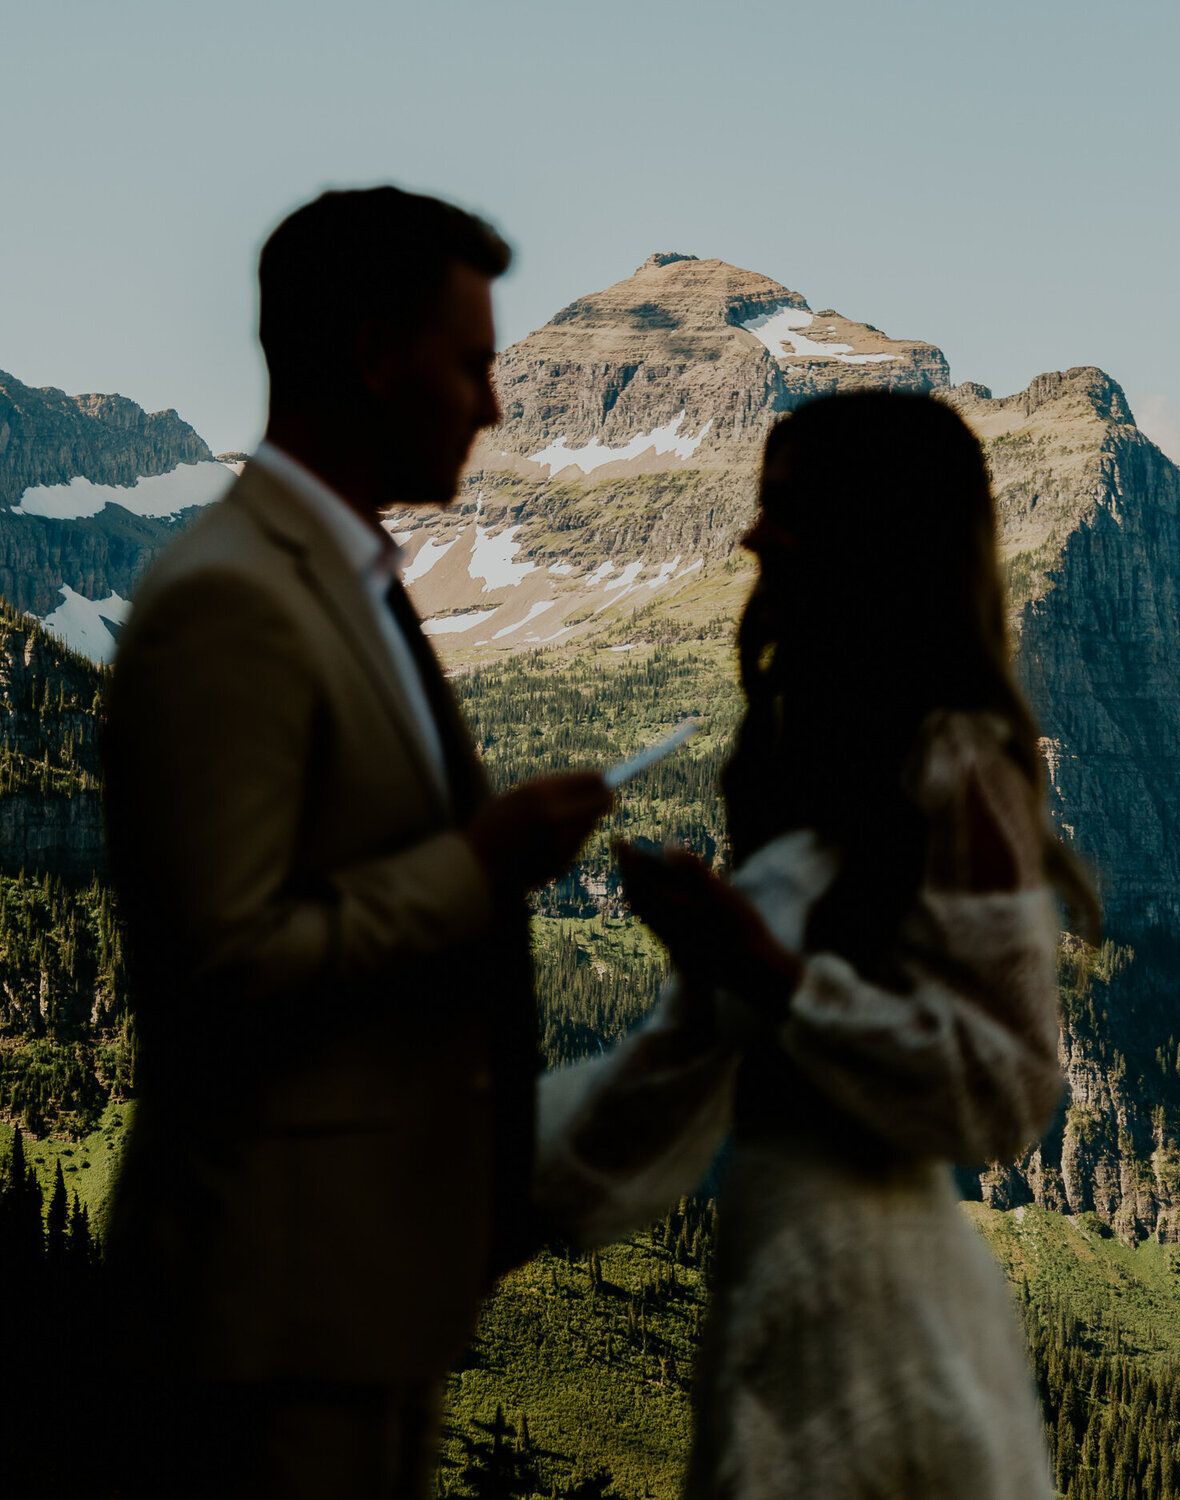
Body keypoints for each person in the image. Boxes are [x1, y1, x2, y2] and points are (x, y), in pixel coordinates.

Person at [102, 186, 612, 1500]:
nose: (495, 406)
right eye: (473, 363)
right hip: (269, 1318)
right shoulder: (231, 596)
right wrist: (481, 866)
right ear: (376, 354)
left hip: (361, 1295)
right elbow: (223, 960)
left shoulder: (343, 579)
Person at [542, 391, 1097, 1499]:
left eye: (787, 511)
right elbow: (676, 1075)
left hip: (892, 1331)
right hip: (775, 1305)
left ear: (874, 540)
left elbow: (1011, 1089)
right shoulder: (792, 760)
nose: (752, 537)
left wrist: (770, 974)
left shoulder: (954, 762)